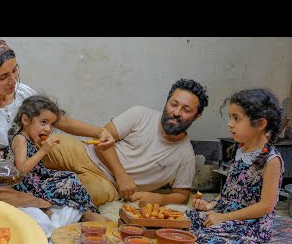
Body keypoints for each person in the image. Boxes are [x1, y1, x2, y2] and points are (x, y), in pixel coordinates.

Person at [0, 39, 114, 234]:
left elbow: (60, 120)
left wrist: (99, 132)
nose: (13, 81)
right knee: (32, 213)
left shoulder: (22, 93)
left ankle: (75, 216)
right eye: (3, 77)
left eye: (15, 70)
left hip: (26, 174)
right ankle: (59, 219)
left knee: (64, 186)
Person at [42, 78, 209, 206]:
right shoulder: (140, 115)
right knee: (37, 147)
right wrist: (121, 174)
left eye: (186, 110)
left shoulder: (186, 155)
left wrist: (157, 198)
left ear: (197, 116)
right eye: (174, 104)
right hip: (84, 152)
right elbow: (102, 139)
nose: (177, 112)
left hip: (107, 184)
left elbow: (182, 195)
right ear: (167, 102)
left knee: (69, 193)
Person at [186, 88, 287, 244]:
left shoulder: (272, 161)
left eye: (236, 118)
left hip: (252, 224)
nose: (230, 124)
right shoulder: (240, 150)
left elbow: (266, 206)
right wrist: (210, 205)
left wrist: (222, 217)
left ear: (260, 124)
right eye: (230, 118)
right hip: (227, 214)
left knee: (201, 239)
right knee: (186, 221)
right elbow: (230, 192)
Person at [7, 95, 108, 223]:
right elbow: (21, 170)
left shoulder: (31, 138)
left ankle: (88, 212)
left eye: (52, 124)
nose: (48, 129)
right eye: (43, 122)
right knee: (70, 182)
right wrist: (43, 151)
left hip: (36, 178)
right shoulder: (20, 139)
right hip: (28, 185)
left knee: (69, 176)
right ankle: (89, 213)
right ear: (26, 120)